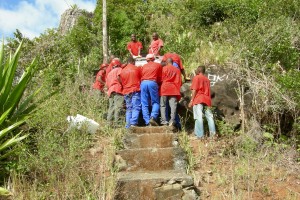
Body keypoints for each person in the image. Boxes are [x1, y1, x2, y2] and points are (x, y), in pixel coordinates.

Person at [188, 65, 216, 139]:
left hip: (199, 99)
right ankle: (213, 135)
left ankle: (199, 135)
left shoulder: (197, 77)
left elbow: (194, 90)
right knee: (210, 117)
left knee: (198, 117)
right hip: (207, 100)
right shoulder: (207, 80)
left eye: (197, 70)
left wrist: (191, 100)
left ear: (199, 70)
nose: (196, 71)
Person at [118, 57, 142, 128]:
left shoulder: (122, 71)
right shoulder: (136, 69)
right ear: (133, 62)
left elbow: (118, 78)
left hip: (126, 91)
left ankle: (128, 125)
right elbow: (141, 78)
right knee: (136, 107)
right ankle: (133, 123)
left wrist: (123, 85)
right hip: (135, 90)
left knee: (129, 108)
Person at [140, 54, 162, 126]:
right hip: (152, 82)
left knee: (144, 103)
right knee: (155, 102)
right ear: (153, 59)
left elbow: (141, 76)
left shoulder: (143, 66)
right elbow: (160, 77)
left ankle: (147, 121)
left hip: (143, 83)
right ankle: (153, 117)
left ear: (147, 60)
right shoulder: (158, 65)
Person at [160, 58, 182, 127]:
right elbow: (179, 81)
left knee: (163, 105)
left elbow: (161, 79)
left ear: (167, 62)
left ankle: (164, 121)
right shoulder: (177, 70)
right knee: (173, 106)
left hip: (165, 88)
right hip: (174, 89)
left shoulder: (164, 68)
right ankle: (172, 120)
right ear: (172, 62)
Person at [106, 59, 123, 126]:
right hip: (117, 89)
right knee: (118, 107)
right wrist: (122, 84)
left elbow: (107, 84)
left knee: (111, 107)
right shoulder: (119, 69)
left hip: (110, 90)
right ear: (118, 64)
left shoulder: (109, 73)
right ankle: (117, 123)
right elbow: (119, 77)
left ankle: (108, 122)